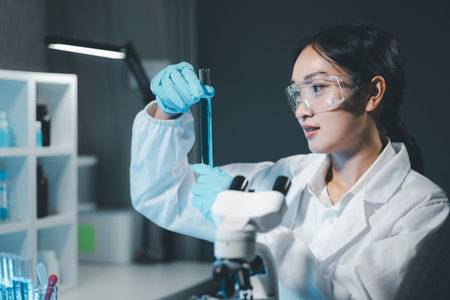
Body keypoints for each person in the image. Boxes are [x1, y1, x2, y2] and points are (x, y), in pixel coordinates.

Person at [130, 22, 449, 299]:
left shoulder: (422, 208)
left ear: (372, 93)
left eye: (319, 88)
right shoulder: (287, 176)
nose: (302, 109)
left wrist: (245, 220)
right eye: (298, 93)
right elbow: (161, 195)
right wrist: (166, 111)